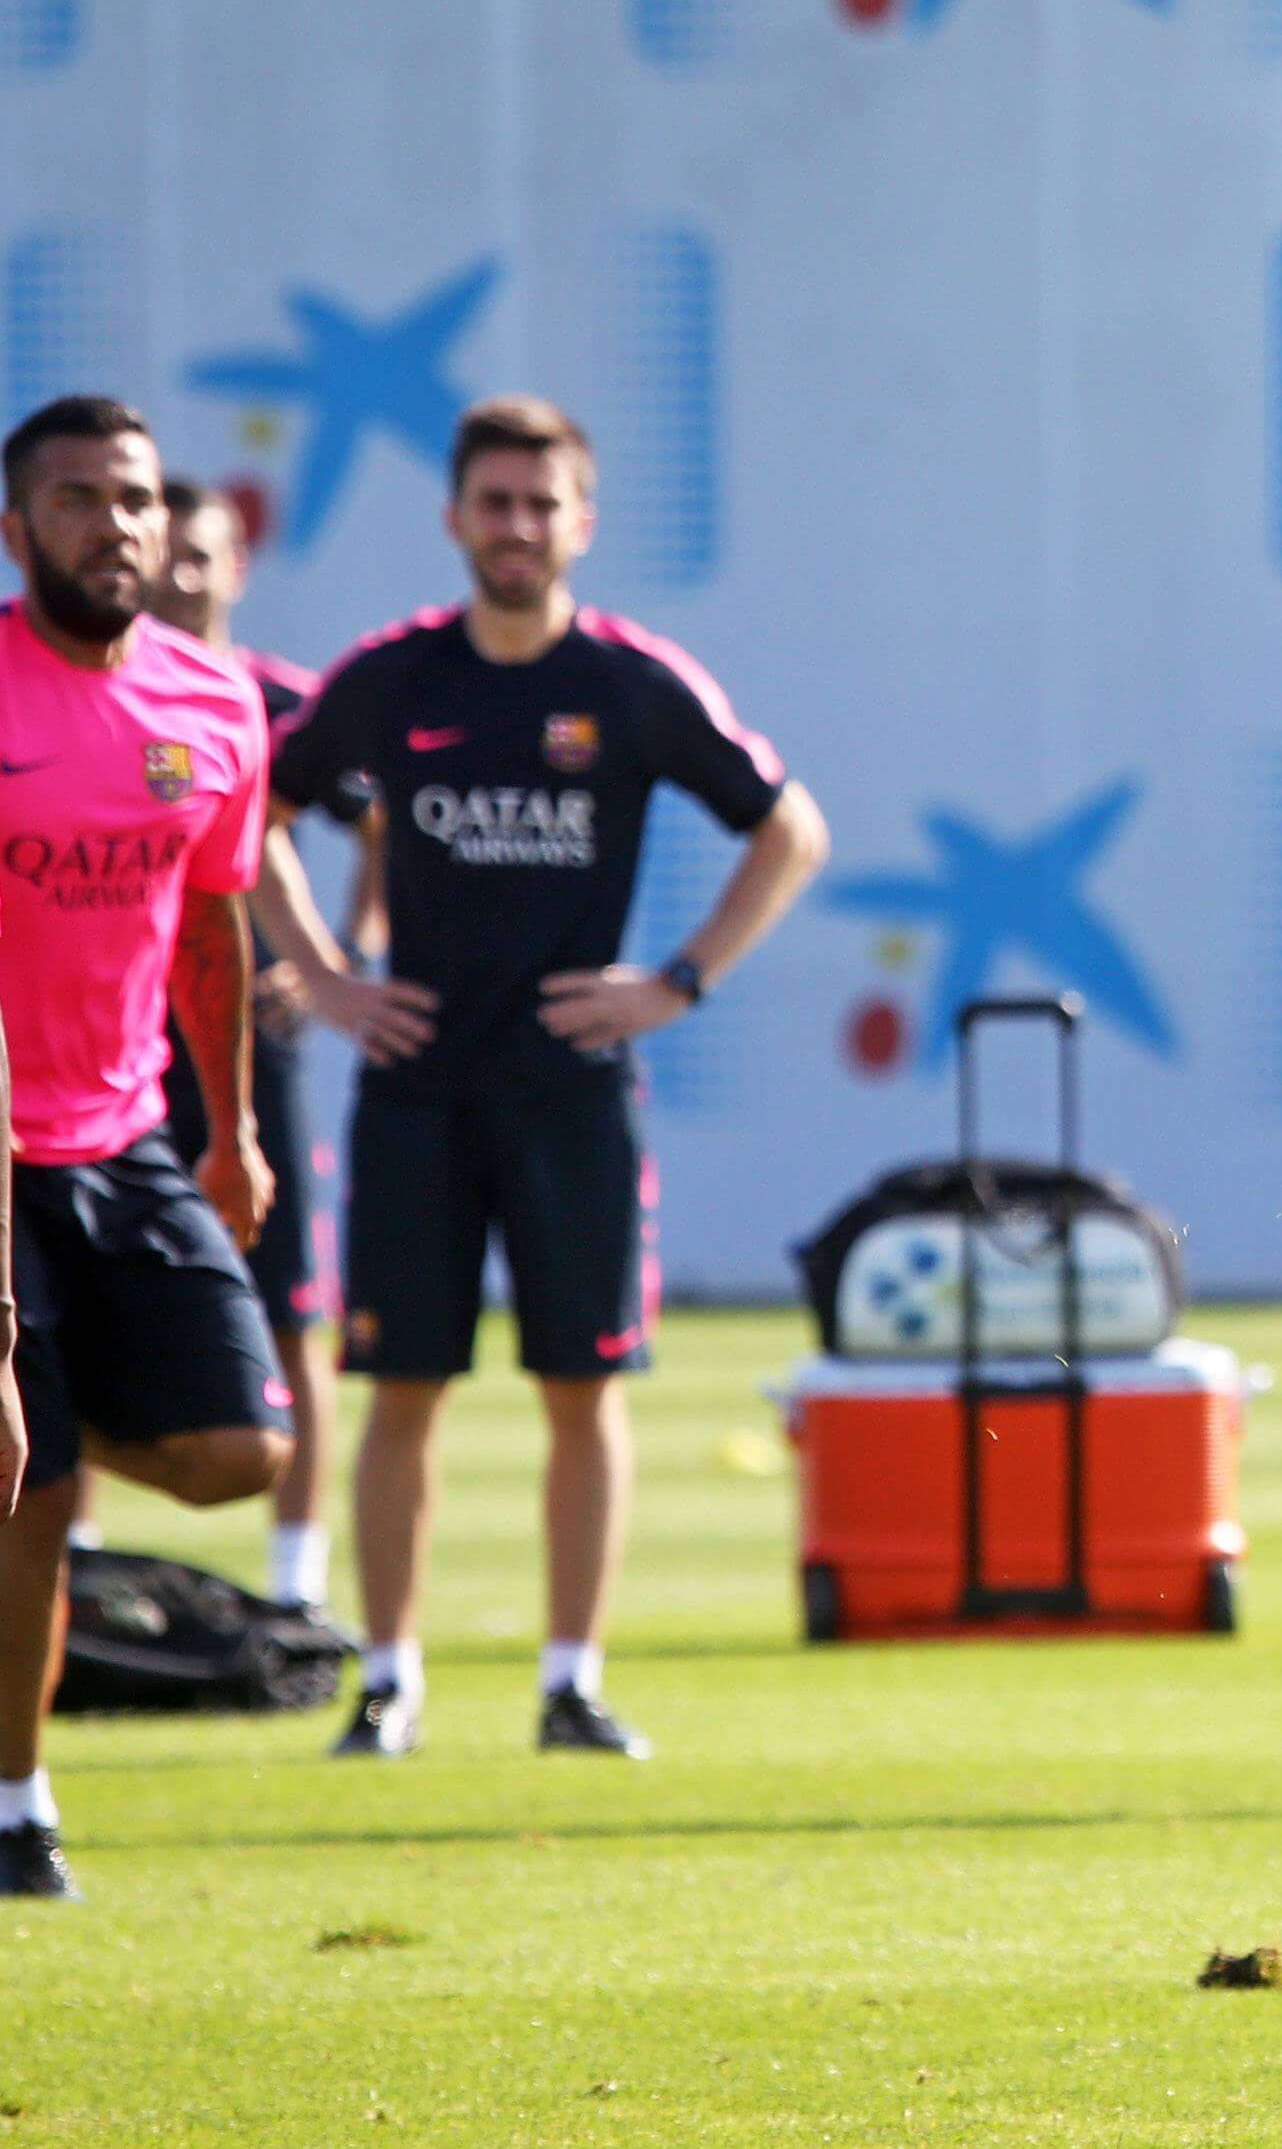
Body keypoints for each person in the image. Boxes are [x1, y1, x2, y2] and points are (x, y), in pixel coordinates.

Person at [267, 397, 826, 1761]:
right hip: (416, 1089)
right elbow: (254, 812)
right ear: (455, 518)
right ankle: (388, 1674)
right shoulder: (396, 679)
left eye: (543, 502)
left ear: (583, 520)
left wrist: (675, 980)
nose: (517, 526)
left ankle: (571, 1678)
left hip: (573, 1087)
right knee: (404, 1387)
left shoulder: (633, 683)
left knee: (584, 1386)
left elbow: (790, 829)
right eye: (495, 502)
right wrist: (331, 975)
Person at [0, 396, 294, 1903]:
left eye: (130, 498)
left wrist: (229, 1127)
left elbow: (215, 921)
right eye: (73, 498)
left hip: (128, 1139)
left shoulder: (213, 698)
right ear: (16, 526)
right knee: (32, 1503)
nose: (111, 525)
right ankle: (19, 1807)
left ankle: (54, 1407)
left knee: (244, 1449)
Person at [144, 477, 374, 1616]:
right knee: (64, 1314)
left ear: (239, 565)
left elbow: (368, 825)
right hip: (113, 1049)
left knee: (289, 1313)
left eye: (205, 553)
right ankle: (77, 1564)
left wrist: (334, 962)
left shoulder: (278, 699)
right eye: (166, 551)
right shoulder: (98, 699)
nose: (182, 574)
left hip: (238, 1041)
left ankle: (297, 1588)